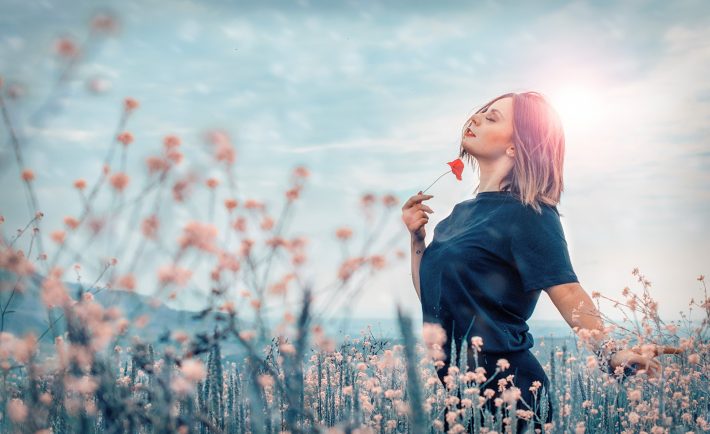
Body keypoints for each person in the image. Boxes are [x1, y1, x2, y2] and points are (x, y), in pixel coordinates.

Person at [401, 91, 682, 433]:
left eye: (492, 118)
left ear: (516, 148)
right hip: (459, 396)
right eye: (480, 113)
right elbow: (433, 297)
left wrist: (611, 352)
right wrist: (417, 242)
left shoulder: (530, 212)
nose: (475, 119)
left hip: (513, 392)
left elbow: (566, 289)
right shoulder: (459, 215)